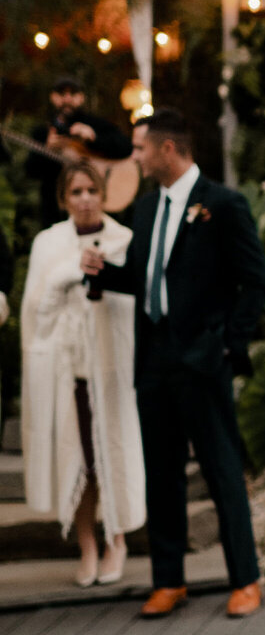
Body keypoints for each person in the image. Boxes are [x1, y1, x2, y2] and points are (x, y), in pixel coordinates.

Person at [80, 107, 265, 619]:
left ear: (167, 149)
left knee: (221, 469)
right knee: (162, 472)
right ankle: (169, 581)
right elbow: (145, 280)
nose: (134, 157)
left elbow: (256, 282)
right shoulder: (145, 210)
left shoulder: (223, 205)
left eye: (139, 148)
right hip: (154, 359)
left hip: (204, 360)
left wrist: (228, 345)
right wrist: (102, 274)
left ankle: (246, 578)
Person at [21, 160, 144, 586]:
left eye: (92, 190)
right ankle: (88, 545)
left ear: (103, 194)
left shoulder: (123, 239)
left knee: (113, 452)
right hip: (68, 372)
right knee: (81, 459)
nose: (85, 199)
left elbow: (133, 308)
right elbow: (35, 312)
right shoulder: (47, 244)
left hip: (111, 372)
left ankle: (119, 541)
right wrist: (68, 274)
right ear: (63, 199)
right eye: (76, 192)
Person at [26, 75, 134, 230]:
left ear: (82, 97)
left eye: (73, 94)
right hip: (56, 212)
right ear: (53, 97)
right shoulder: (43, 132)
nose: (67, 99)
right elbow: (31, 171)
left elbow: (126, 148)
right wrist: (48, 150)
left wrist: (94, 138)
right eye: (62, 94)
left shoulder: (95, 124)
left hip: (98, 213)